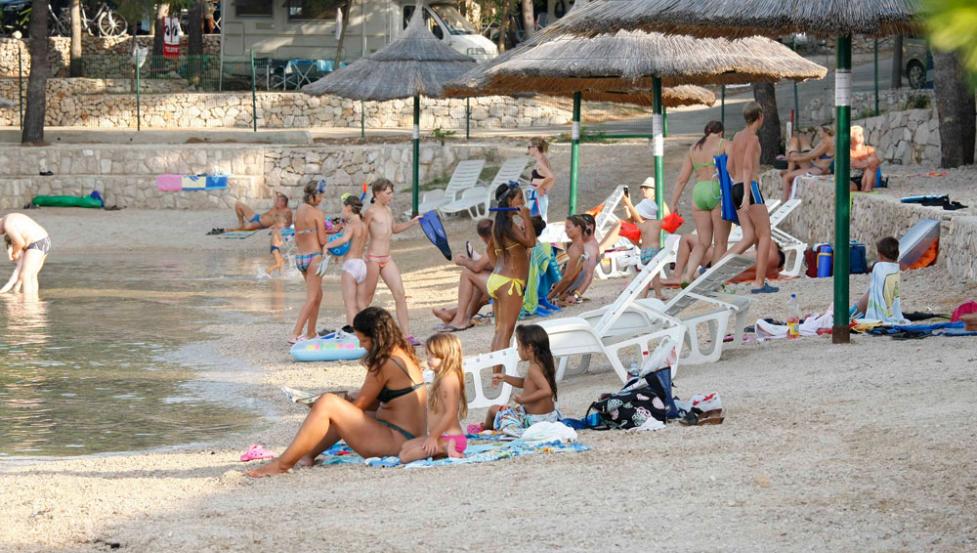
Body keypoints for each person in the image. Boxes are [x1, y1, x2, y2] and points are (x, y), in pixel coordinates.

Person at [247, 307, 426, 477]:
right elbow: (385, 403)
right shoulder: (402, 353)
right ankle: (306, 455)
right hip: (409, 438)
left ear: (378, 338)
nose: (361, 345)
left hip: (397, 443)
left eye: (364, 340)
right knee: (339, 403)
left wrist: (320, 405)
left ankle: (282, 464)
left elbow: (358, 407)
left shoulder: (384, 362)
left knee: (328, 402)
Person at [670, 121, 731, 283]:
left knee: (703, 242)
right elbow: (734, 168)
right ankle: (715, 281)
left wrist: (673, 203)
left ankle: (688, 275)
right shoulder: (724, 144)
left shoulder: (694, 148)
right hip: (716, 189)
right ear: (721, 133)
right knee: (720, 242)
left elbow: (682, 179)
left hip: (699, 192)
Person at [362, 178, 421, 345]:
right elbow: (362, 233)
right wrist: (359, 255)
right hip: (373, 258)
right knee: (367, 298)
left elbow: (394, 229)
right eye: (388, 193)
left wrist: (412, 222)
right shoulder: (370, 212)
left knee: (400, 294)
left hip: (387, 258)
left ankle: (406, 335)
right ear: (377, 193)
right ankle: (360, 332)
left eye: (391, 193)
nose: (391, 196)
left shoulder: (388, 209)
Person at [727, 102, 778, 294]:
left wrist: (740, 186)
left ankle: (716, 269)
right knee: (765, 234)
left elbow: (729, 167)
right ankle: (759, 282)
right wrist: (747, 194)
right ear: (760, 116)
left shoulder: (736, 137)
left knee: (748, 236)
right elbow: (748, 166)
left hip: (735, 187)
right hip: (749, 188)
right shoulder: (753, 138)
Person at [398, 333, 468, 462]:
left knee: (405, 457)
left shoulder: (448, 380)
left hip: (450, 437)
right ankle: (443, 447)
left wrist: (433, 437)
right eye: (428, 354)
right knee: (405, 447)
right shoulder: (442, 376)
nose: (429, 359)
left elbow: (451, 413)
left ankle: (447, 447)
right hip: (441, 435)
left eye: (434, 356)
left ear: (447, 356)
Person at [487, 183, 537, 361]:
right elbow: (531, 242)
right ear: (509, 201)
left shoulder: (498, 224)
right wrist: (526, 218)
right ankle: (498, 371)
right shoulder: (509, 225)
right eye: (520, 198)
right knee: (506, 331)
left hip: (497, 279)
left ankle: (496, 370)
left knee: (500, 331)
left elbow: (489, 251)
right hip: (510, 283)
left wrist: (500, 269)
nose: (523, 202)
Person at [485, 324, 560, 438]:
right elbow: (526, 383)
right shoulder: (542, 363)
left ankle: (485, 431)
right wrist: (505, 378)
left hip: (534, 420)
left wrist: (523, 399)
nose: (517, 349)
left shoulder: (533, 369)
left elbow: (546, 391)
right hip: (549, 417)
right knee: (507, 410)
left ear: (529, 348)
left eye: (519, 345)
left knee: (492, 410)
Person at [433, 219, 494, 332]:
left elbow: (477, 267)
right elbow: (495, 265)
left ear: (482, 238)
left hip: (508, 287)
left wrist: (462, 261)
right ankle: (458, 316)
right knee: (477, 281)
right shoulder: (507, 237)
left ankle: (459, 319)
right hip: (511, 284)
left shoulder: (496, 242)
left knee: (468, 273)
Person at [288, 183, 328, 344]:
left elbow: (300, 236)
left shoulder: (298, 211)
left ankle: (311, 332)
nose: (322, 198)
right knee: (312, 298)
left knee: (318, 295)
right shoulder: (317, 213)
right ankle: (295, 334)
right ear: (313, 195)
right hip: (314, 257)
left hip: (300, 257)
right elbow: (323, 240)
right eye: (320, 195)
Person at [322, 194, 368, 327]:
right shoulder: (364, 225)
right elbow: (354, 244)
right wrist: (338, 254)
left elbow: (344, 239)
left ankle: (352, 332)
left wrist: (327, 246)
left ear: (348, 207)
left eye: (343, 208)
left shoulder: (351, 224)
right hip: (361, 265)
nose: (342, 211)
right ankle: (369, 331)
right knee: (361, 304)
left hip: (350, 266)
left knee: (350, 304)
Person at [853, 237, 907, 324]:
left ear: (880, 256)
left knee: (870, 291)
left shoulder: (879, 267)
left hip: (875, 311)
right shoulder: (895, 268)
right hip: (890, 309)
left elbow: (873, 291)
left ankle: (854, 310)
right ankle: (855, 309)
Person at [548, 214, 598, 305]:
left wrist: (575, 295)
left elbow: (587, 276)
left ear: (590, 227)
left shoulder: (590, 247)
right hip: (560, 289)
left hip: (558, 290)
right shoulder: (583, 244)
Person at [0, 212, 50, 299]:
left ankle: (28, 302)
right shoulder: (10, 217)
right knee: (32, 275)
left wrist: (14, 253)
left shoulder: (8, 224)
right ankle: (34, 301)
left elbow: (20, 242)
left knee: (25, 276)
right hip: (45, 240)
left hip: (36, 243)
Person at [781, 125, 835, 202]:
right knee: (793, 155)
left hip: (819, 170)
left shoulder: (827, 143)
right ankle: (790, 173)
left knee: (786, 177)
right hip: (814, 165)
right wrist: (792, 157)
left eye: (820, 131)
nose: (818, 133)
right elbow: (810, 154)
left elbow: (810, 156)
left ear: (826, 132)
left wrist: (791, 159)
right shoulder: (823, 141)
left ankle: (784, 202)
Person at [527, 137, 555, 222]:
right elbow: (550, 178)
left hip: (537, 196)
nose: (528, 150)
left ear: (535, 148)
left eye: (529, 147)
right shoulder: (544, 159)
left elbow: (551, 176)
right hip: (538, 195)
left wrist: (540, 186)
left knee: (537, 221)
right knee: (539, 219)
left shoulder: (540, 162)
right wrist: (544, 188)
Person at [850, 125, 882, 192]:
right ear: (851, 137)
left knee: (872, 161)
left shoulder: (869, 149)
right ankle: (863, 188)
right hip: (852, 179)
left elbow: (876, 162)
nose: (861, 136)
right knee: (848, 187)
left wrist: (867, 163)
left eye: (861, 134)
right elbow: (855, 164)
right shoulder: (849, 151)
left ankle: (867, 187)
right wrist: (868, 163)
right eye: (858, 134)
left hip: (867, 177)